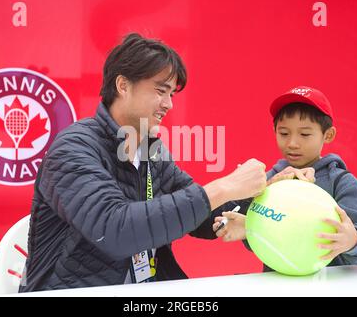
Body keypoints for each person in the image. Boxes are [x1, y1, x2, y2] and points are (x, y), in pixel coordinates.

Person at [19, 32, 273, 292]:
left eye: (172, 94)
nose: (169, 104)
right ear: (123, 85)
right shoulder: (73, 148)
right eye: (160, 91)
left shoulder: (151, 149)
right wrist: (223, 187)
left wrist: (270, 191)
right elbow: (115, 231)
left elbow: (202, 216)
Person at [213, 86, 357, 271]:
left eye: (305, 134)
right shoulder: (270, 180)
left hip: (330, 286)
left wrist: (353, 240)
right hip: (278, 284)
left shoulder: (341, 183)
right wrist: (248, 230)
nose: (292, 143)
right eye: (284, 133)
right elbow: (268, 240)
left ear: (328, 135)